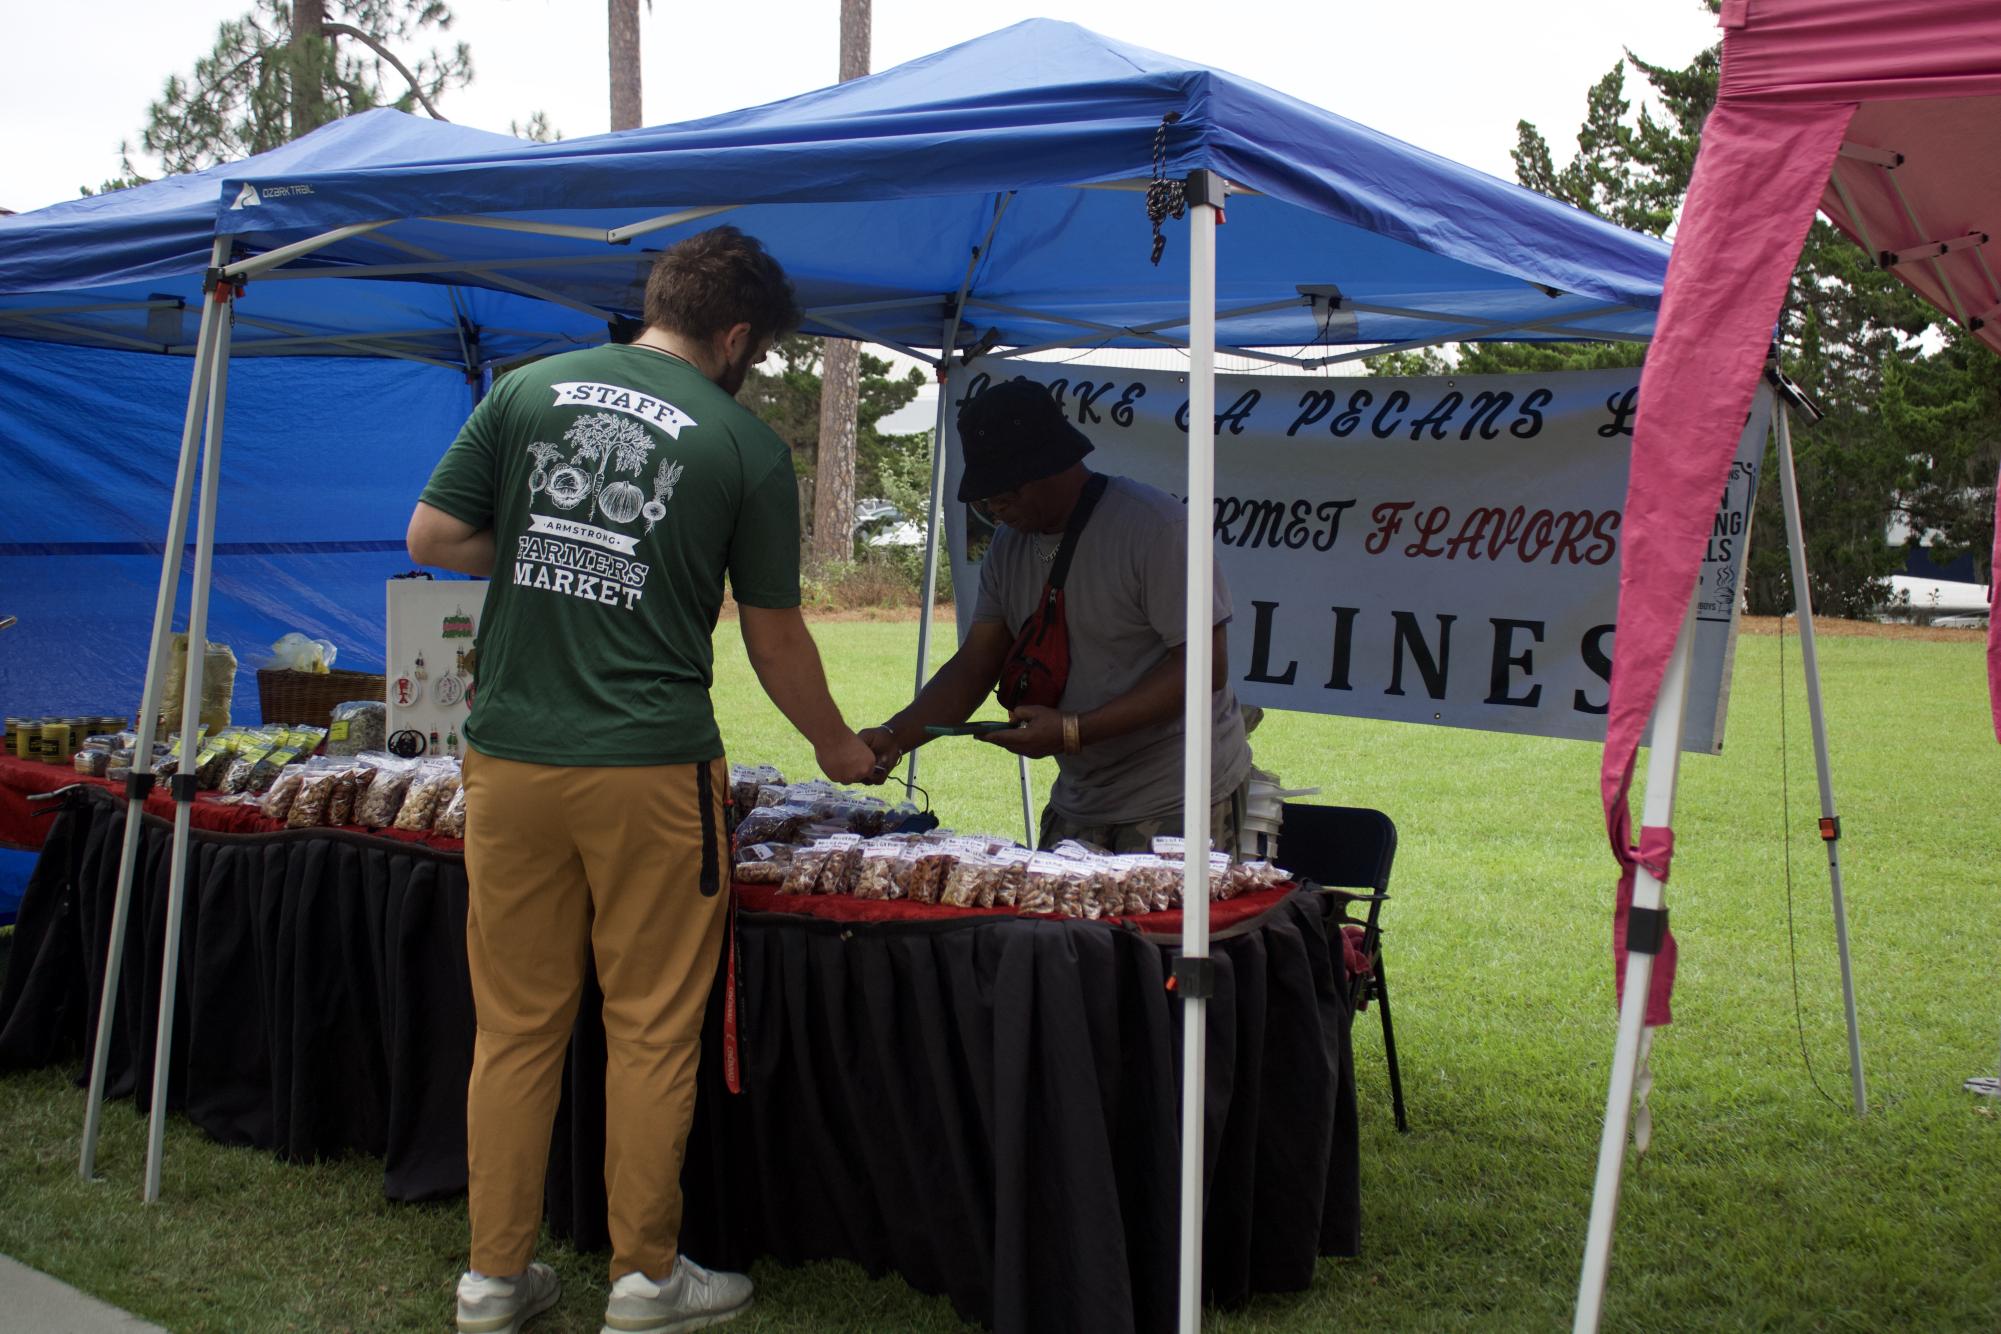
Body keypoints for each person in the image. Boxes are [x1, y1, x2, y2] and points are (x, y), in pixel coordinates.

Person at [407, 226, 877, 1334]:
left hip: (510, 757)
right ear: (736, 335)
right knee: (651, 1025)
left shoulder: (525, 391)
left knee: (515, 1027)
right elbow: (774, 640)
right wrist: (838, 746)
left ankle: (492, 1279)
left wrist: (538, 535)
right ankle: (644, 1276)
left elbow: (434, 532)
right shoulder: (746, 447)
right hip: (649, 768)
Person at [861, 376, 1252, 852]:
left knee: (1157, 930)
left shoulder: (1156, 528)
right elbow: (977, 662)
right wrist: (896, 735)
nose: (994, 510)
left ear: (1050, 466)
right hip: (1080, 799)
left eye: (1003, 495)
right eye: (987, 499)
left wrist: (1073, 730)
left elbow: (1203, 667)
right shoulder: (1008, 546)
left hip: (1178, 798)